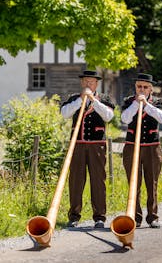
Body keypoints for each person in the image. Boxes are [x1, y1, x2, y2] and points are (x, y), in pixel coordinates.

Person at [60, 70, 115, 229]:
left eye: (91, 82)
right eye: (85, 82)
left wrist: (93, 100)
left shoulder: (104, 99)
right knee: (76, 180)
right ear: (81, 83)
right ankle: (74, 216)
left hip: (97, 144)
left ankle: (99, 217)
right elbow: (64, 113)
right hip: (77, 144)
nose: (87, 85)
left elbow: (108, 116)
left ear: (96, 84)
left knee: (98, 180)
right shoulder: (73, 98)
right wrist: (80, 100)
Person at [121, 73, 162, 228]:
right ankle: (136, 217)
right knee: (134, 182)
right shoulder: (128, 101)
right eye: (139, 86)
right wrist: (136, 104)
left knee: (151, 182)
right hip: (132, 146)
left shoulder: (158, 102)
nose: (142, 89)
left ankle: (153, 216)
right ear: (135, 87)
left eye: (145, 87)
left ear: (151, 89)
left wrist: (146, 105)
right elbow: (125, 119)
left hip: (152, 148)